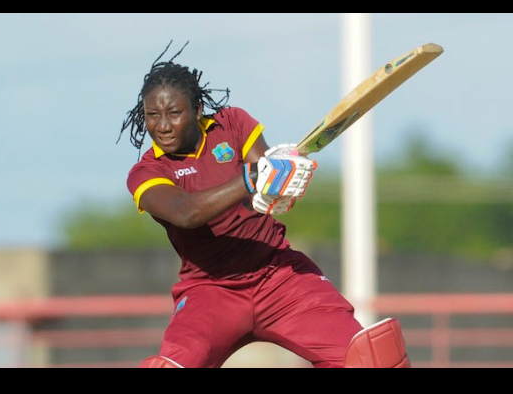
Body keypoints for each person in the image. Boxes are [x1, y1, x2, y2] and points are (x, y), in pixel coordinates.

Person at [118, 42, 410, 368]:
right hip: (210, 292)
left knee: (374, 361)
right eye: (152, 115)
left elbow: (268, 190)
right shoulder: (146, 172)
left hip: (279, 277)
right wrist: (250, 179)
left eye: (174, 113)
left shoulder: (234, 123)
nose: (163, 126)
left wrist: (281, 186)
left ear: (198, 109)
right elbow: (186, 212)